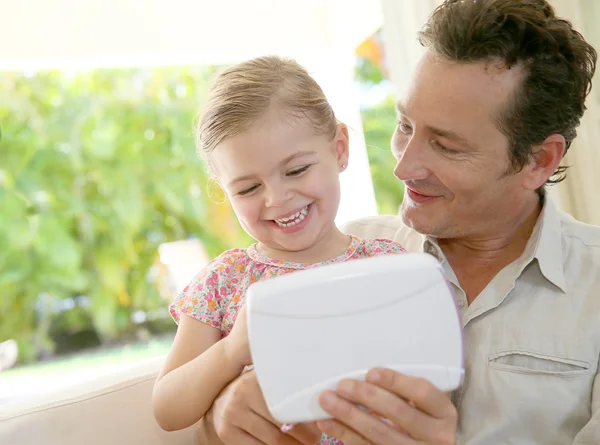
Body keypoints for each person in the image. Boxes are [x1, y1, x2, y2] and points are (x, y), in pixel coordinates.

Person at [197, 1, 600, 444]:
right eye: (405, 125)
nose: (403, 167)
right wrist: (225, 409)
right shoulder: (340, 256)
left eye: (446, 146)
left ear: (538, 161)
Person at [151, 55, 406, 440]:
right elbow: (167, 409)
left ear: (339, 148)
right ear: (226, 192)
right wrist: (233, 349)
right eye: (249, 188)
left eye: (297, 170)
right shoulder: (225, 280)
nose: (277, 198)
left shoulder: (386, 266)